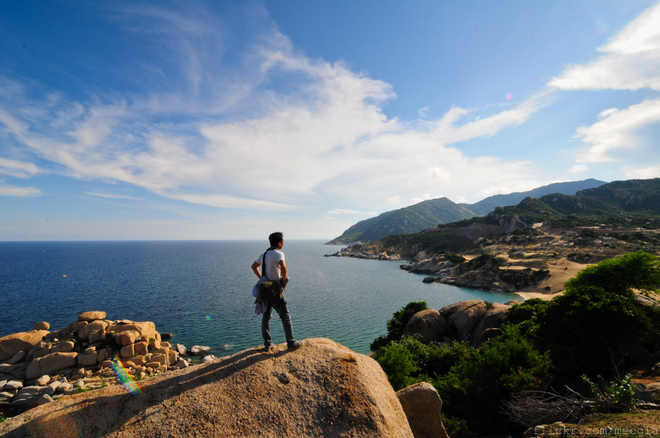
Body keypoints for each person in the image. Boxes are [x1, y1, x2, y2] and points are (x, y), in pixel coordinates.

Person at [251, 232, 302, 351]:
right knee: (285, 315)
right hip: (275, 290)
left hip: (264, 289)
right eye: (283, 241)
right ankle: (291, 342)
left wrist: (261, 278)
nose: (283, 243)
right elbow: (283, 267)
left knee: (266, 317)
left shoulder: (263, 255)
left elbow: (253, 266)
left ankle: (268, 343)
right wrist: (284, 282)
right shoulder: (279, 253)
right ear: (279, 243)